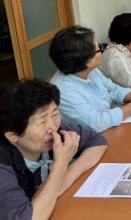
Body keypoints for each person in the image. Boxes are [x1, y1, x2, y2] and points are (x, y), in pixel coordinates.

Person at [0, 80, 108, 219]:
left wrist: (65, 178)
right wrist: (60, 164)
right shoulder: (3, 167)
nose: (53, 127)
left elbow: (97, 141)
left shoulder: (54, 129)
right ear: (12, 135)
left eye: (55, 113)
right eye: (42, 121)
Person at [49, 26, 131, 132]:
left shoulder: (89, 70)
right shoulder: (63, 92)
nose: (103, 50)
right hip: (93, 140)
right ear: (88, 61)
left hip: (111, 130)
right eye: (100, 48)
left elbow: (113, 89)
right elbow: (96, 123)